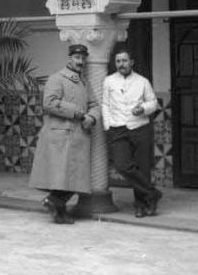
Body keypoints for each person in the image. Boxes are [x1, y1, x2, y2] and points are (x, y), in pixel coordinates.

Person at [29, 43, 101, 224]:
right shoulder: (57, 79)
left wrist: (91, 118)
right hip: (60, 136)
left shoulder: (85, 82)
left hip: (78, 135)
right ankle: (57, 207)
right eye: (77, 58)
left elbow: (94, 104)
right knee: (63, 177)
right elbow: (49, 103)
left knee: (74, 177)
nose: (80, 62)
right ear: (70, 58)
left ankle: (55, 206)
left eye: (83, 58)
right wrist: (77, 112)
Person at [102, 49, 162, 217]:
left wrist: (142, 109)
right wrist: (108, 125)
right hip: (117, 128)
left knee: (142, 168)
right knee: (122, 165)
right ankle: (152, 193)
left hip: (139, 128)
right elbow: (105, 104)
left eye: (125, 61)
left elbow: (153, 103)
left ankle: (142, 204)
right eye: (118, 61)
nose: (122, 64)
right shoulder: (109, 81)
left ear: (131, 62)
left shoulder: (142, 81)